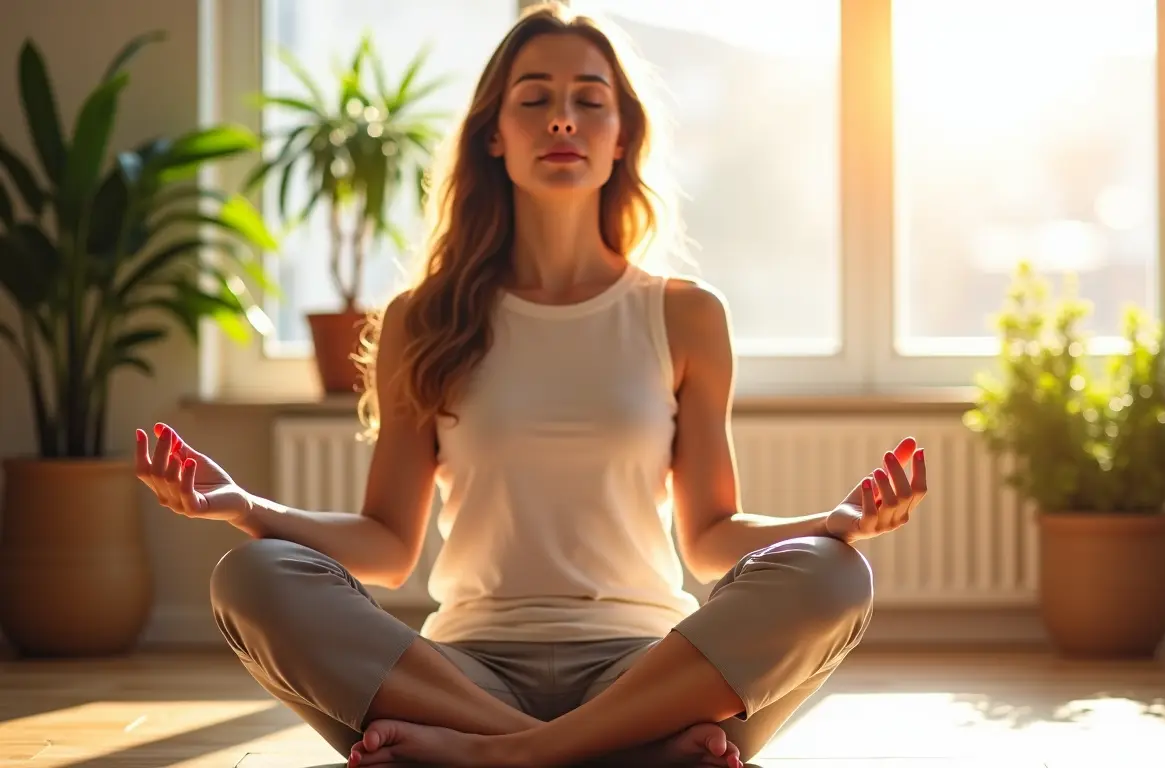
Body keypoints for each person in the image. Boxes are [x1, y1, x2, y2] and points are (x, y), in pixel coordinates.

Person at [134, 3, 927, 766]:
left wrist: (830, 523)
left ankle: (499, 757)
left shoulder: (684, 316)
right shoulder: (424, 318)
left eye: (589, 100)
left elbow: (710, 536)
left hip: (647, 669)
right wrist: (245, 508)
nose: (561, 119)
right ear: (493, 136)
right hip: (468, 672)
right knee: (251, 576)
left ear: (622, 140)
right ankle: (614, 755)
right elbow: (385, 545)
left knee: (834, 573)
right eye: (534, 99)